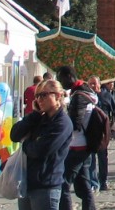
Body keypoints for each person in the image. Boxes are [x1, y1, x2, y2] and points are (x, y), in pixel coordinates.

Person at [11, 79, 74, 210]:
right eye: (37, 96)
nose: (40, 99)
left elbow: (41, 150)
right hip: (27, 183)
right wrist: (34, 114)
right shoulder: (39, 118)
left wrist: (26, 145)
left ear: (57, 96)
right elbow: (15, 135)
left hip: (46, 184)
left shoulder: (62, 122)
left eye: (43, 95)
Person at [56, 66, 98, 210]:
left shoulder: (79, 96)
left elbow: (75, 124)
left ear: (69, 76)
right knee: (83, 185)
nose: (59, 82)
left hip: (77, 146)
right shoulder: (87, 92)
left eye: (60, 78)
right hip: (83, 145)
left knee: (63, 185)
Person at [88, 76, 115, 190]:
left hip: (102, 132)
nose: (92, 86)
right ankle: (93, 182)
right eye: (90, 84)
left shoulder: (107, 95)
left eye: (94, 83)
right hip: (89, 131)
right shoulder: (86, 97)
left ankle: (103, 180)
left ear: (99, 84)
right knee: (90, 159)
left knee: (102, 158)